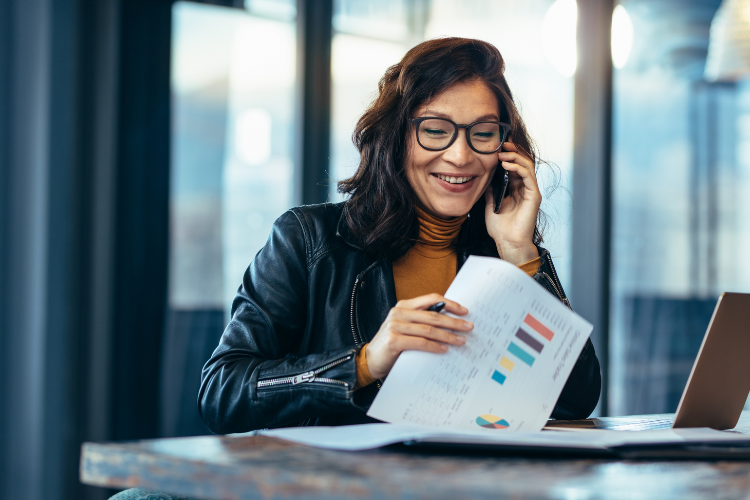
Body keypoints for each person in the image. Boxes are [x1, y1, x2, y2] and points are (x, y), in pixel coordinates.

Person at [198, 37, 601, 434]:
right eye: (436, 130)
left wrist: (519, 253)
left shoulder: (502, 252)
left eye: (482, 133)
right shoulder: (309, 239)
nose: (461, 156)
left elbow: (574, 399)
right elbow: (222, 392)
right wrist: (364, 363)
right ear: (396, 138)